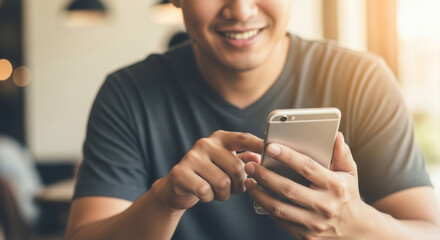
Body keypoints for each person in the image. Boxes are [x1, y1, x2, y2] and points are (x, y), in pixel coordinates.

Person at [65, 0, 440, 239]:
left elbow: (428, 231)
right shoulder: (127, 93)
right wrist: (164, 202)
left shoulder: (362, 79)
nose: (241, 10)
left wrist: (353, 223)